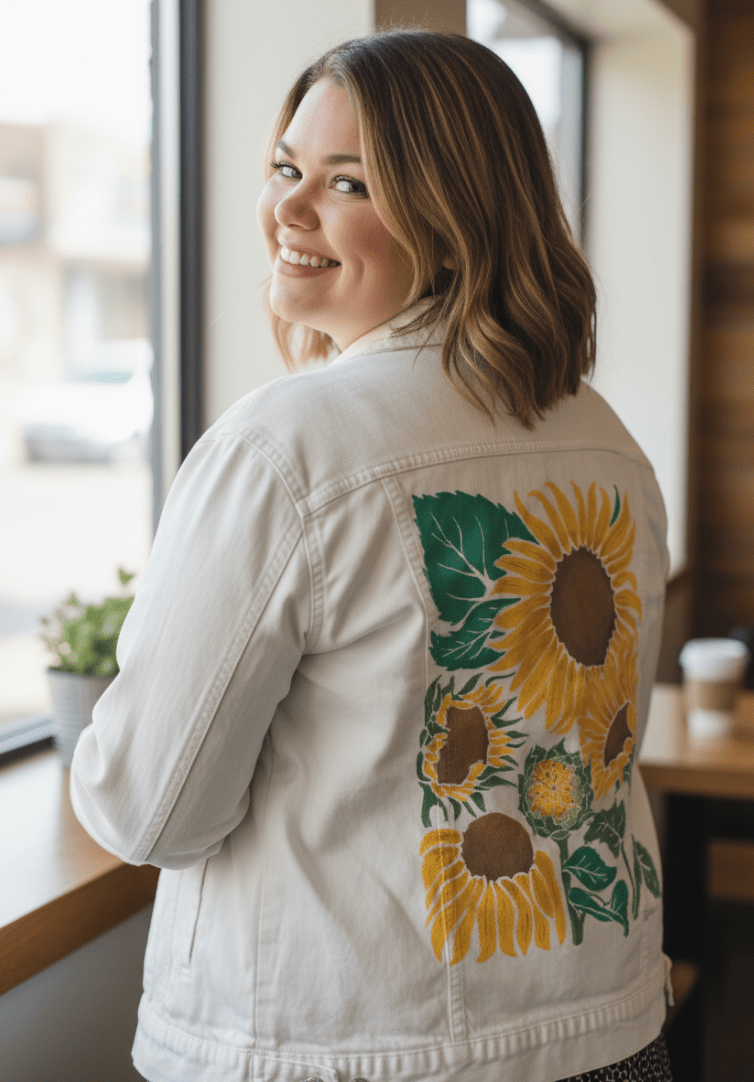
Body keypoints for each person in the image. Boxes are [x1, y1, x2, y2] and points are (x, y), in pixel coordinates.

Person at [71, 29, 673, 1082]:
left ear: (452, 216)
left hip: (347, 1048)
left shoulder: (284, 448)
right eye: (285, 168)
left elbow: (148, 807)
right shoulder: (606, 438)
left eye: (348, 182)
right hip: (608, 1035)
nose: (289, 211)